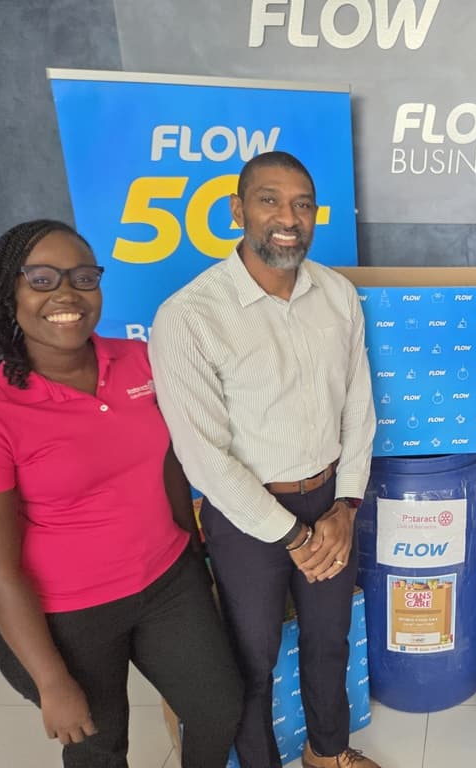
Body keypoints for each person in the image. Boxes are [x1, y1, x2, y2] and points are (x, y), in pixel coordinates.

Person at [0, 219, 244, 768]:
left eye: (83, 277)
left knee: (218, 708)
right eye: (41, 279)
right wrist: (51, 681)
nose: (66, 293)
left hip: (167, 582)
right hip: (67, 616)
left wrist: (194, 548)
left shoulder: (138, 361)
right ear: (9, 293)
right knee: (101, 746)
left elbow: (168, 462)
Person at [148, 151, 378, 768]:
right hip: (245, 515)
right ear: (237, 211)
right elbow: (204, 456)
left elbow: (359, 404)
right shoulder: (189, 316)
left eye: (302, 204)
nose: (288, 217)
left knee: (330, 641)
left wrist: (346, 507)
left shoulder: (337, 294)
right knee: (252, 657)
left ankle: (327, 754)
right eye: (269, 200)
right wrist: (294, 535)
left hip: (330, 500)